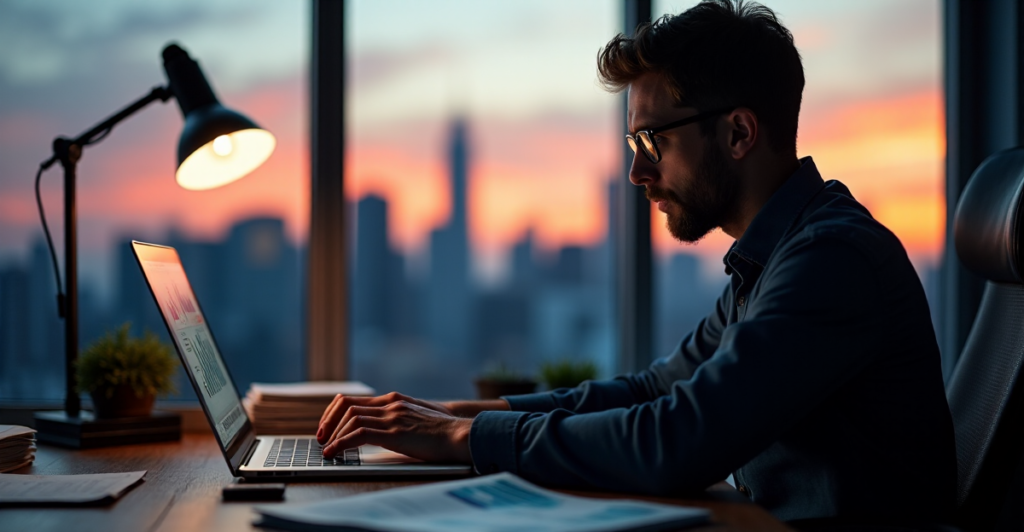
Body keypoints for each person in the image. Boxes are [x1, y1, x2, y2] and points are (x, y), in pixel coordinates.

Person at [318, 0, 956, 525]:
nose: (636, 171)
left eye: (653, 140)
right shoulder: (772, 260)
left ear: (738, 133)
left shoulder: (830, 261)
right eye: (633, 142)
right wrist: (463, 415)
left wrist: (464, 440)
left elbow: (678, 441)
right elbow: (655, 390)